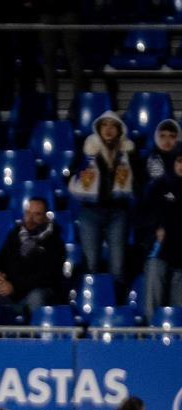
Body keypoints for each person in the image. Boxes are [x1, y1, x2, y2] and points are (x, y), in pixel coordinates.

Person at [69, 111, 134, 282]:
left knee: (117, 267)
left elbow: (139, 180)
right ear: (98, 128)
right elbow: (71, 174)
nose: (108, 129)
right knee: (91, 264)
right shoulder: (87, 150)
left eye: (113, 125)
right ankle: (92, 297)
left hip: (118, 213)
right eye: (104, 125)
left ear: (119, 130)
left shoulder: (128, 152)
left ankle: (116, 297)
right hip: (90, 212)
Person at [0, 197, 65, 317]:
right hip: (10, 293)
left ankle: (37, 327)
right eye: (28, 213)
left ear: (45, 217)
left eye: (37, 214)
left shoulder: (54, 241)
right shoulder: (15, 234)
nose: (30, 218)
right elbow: (1, 260)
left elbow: (46, 277)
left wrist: (15, 286)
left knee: (36, 297)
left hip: (34, 292)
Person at [140, 152, 182, 321]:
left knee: (178, 314)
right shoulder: (159, 187)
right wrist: (155, 228)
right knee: (153, 308)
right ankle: (151, 332)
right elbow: (142, 216)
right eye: (180, 161)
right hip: (159, 253)